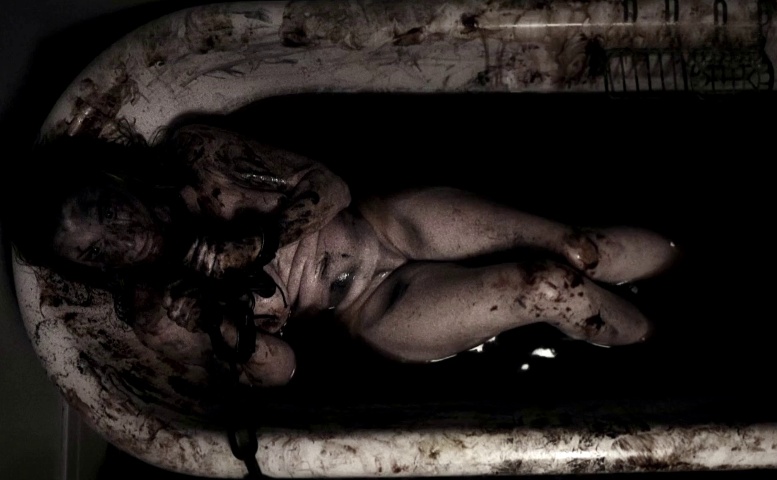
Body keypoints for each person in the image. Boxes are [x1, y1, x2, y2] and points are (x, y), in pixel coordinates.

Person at [10, 124, 679, 387]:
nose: (118, 237)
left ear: (113, 177)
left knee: (578, 248)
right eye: (95, 250)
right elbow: (282, 370)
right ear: (92, 269)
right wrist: (221, 327)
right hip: (371, 309)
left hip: (386, 228)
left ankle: (679, 272)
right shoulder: (157, 312)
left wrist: (255, 241)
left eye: (101, 209)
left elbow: (328, 186)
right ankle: (659, 350)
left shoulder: (201, 163)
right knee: (544, 288)